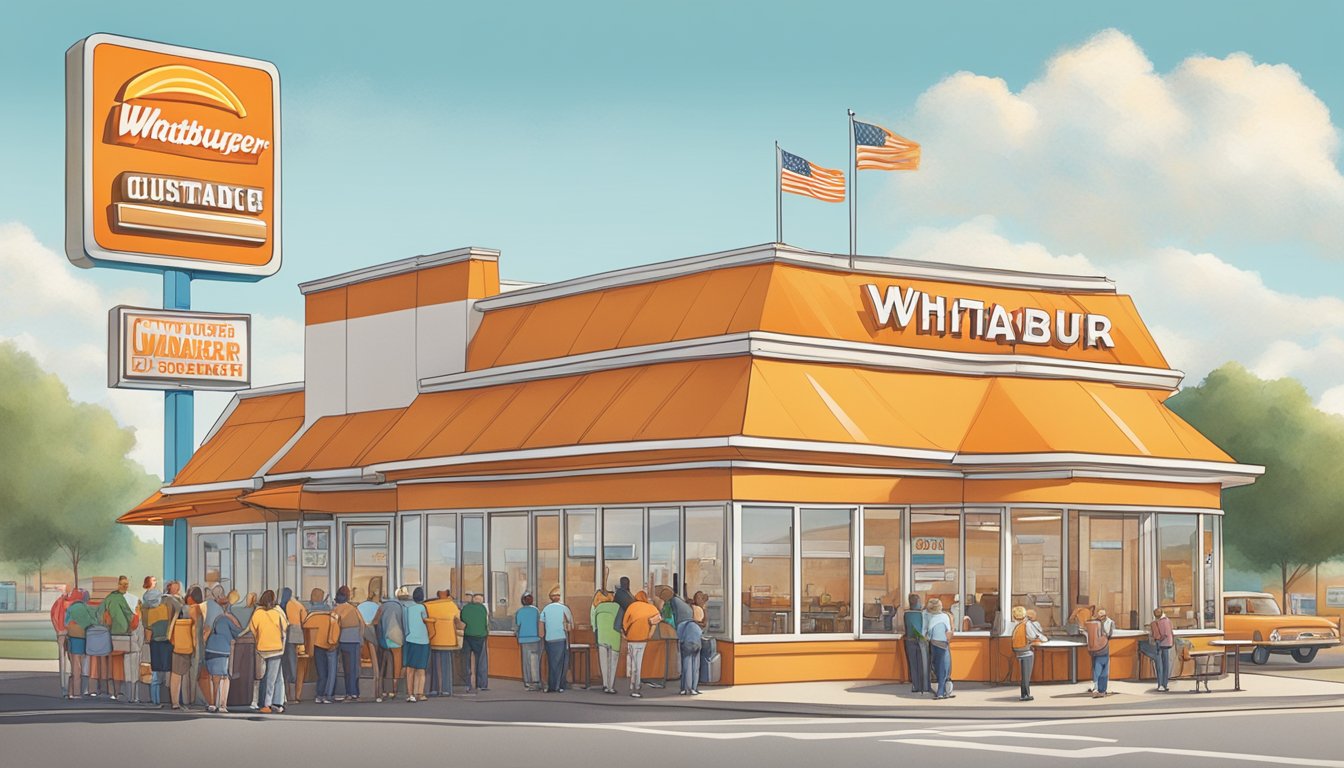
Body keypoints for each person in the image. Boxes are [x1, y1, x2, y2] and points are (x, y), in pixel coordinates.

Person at [247, 590, 289, 713]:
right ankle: (271, 704)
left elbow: (253, 629)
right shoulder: (278, 612)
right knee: (275, 677)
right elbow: (285, 627)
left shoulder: (257, 613)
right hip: (277, 648)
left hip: (262, 648)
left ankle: (274, 702)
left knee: (267, 676)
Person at [203, 589, 242, 713]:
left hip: (210, 648)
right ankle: (223, 705)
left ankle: (212, 703)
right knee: (225, 678)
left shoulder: (212, 617)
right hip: (223, 650)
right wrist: (232, 618)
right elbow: (239, 631)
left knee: (213, 677)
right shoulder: (226, 619)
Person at [100, 576, 135, 701]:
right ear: (118, 585)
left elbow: (100, 613)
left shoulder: (109, 598)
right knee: (119, 663)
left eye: (127, 584)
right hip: (121, 633)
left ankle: (112, 691)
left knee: (111, 662)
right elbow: (129, 614)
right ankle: (119, 691)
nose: (125, 586)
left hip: (109, 633)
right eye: (123, 584)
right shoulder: (121, 598)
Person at [621, 591, 661, 699]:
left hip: (631, 639)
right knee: (638, 664)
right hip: (642, 639)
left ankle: (632, 684)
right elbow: (656, 621)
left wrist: (625, 635)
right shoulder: (651, 608)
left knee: (632, 663)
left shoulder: (632, 607)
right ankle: (636, 687)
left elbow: (624, 623)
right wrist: (649, 634)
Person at [426, 589, 463, 697]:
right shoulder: (452, 606)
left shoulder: (429, 605)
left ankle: (434, 689)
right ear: (447, 595)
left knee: (433, 666)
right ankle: (446, 689)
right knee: (446, 665)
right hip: (448, 640)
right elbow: (458, 620)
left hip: (433, 640)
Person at [331, 585, 365, 701]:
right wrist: (361, 639)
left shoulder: (336, 609)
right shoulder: (353, 608)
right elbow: (362, 623)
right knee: (354, 668)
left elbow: (334, 625)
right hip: (354, 639)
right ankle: (355, 692)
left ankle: (348, 692)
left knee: (347, 668)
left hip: (342, 639)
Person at [303, 604, 341, 704]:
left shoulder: (312, 617)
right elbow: (336, 630)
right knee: (331, 673)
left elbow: (305, 628)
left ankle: (319, 695)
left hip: (317, 646)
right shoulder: (332, 617)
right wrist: (334, 643)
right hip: (330, 645)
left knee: (321, 673)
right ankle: (328, 695)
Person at [372, 588, 406, 702]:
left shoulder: (382, 607)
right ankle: (395, 687)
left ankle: (383, 689)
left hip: (384, 640)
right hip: (397, 638)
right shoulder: (401, 607)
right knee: (397, 663)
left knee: (384, 664)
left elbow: (375, 622)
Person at [539, 588, 573, 693]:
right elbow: (571, 625)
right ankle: (559, 685)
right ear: (559, 598)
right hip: (561, 638)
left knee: (552, 663)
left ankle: (551, 685)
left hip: (549, 639)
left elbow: (541, 626)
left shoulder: (545, 609)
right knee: (561, 663)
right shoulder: (564, 608)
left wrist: (543, 637)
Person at [64, 589, 96, 700]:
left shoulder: (70, 608)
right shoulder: (88, 609)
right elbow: (94, 622)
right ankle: (82, 691)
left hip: (73, 639)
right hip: (85, 639)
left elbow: (66, 623)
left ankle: (72, 692)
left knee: (75, 667)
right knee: (83, 666)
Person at [1009, 605, 1045, 702]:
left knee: (1024, 675)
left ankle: (1024, 693)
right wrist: (1039, 638)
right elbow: (1032, 636)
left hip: (1018, 652)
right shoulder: (1027, 624)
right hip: (1026, 652)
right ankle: (1025, 695)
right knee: (1026, 676)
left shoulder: (1017, 626)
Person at [401, 587, 431, 702]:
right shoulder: (422, 608)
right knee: (421, 669)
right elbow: (427, 621)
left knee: (410, 668)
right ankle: (420, 693)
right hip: (423, 640)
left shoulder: (407, 608)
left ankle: (410, 694)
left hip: (409, 639)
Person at [281, 587, 309, 702]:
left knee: (285, 664)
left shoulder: (280, 605)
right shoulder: (298, 604)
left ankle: (287, 694)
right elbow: (305, 619)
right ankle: (295, 692)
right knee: (295, 661)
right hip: (296, 633)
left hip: (283, 634)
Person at [591, 590, 621, 694]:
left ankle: (604, 684)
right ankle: (610, 686)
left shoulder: (598, 608)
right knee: (613, 663)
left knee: (603, 662)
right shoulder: (617, 607)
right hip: (614, 637)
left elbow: (594, 625)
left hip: (601, 637)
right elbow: (620, 622)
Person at [925, 597, 954, 700]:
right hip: (943, 645)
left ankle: (941, 691)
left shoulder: (931, 618)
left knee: (937, 667)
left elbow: (929, 634)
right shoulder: (945, 617)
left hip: (933, 644)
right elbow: (949, 631)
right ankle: (943, 692)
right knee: (945, 668)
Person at [461, 592, 490, 693]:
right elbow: (486, 623)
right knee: (481, 661)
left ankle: (467, 684)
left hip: (467, 636)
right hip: (480, 636)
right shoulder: (483, 609)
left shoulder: (465, 608)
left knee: (466, 661)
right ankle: (481, 684)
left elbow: (462, 620)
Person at [1084, 607, 1116, 698]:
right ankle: (1101, 689)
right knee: (1102, 669)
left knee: (1096, 667)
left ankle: (1097, 688)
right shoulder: (1106, 623)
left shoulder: (1092, 623)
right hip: (1103, 648)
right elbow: (1109, 634)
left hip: (1094, 649)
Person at [514, 593, 542, 691]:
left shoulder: (519, 612)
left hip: (524, 639)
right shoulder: (536, 611)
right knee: (535, 660)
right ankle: (536, 680)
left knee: (526, 661)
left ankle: (528, 681)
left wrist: (517, 636)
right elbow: (540, 624)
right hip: (535, 638)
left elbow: (517, 626)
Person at [902, 594, 929, 694]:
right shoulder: (923, 614)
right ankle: (924, 686)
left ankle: (915, 685)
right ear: (918, 602)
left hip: (909, 640)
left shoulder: (906, 614)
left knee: (913, 664)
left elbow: (905, 627)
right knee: (923, 663)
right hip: (921, 640)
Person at [692, 591, 714, 688]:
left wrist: (694, 623)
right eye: (696, 598)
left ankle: (698, 679)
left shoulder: (702, 609)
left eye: (700, 598)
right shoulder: (695, 608)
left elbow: (704, 623)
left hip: (700, 635)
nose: (698, 600)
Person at [1150, 607, 1174, 693]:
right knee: (1165, 665)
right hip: (1166, 644)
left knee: (1159, 665)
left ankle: (1161, 684)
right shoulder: (1167, 621)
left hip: (1159, 644)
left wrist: (1158, 639)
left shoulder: (1157, 622)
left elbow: (1163, 634)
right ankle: (1164, 684)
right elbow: (1169, 632)